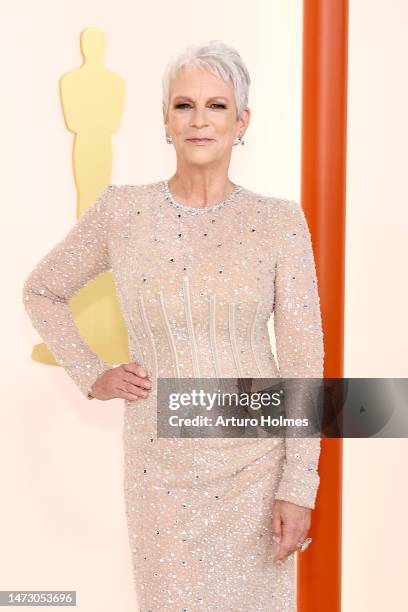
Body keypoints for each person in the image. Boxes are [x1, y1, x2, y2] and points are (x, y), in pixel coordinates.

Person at [23, 39, 324, 611]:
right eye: (184, 105)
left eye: (217, 105)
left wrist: (297, 484)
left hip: (257, 471)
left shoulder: (280, 222)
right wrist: (92, 373)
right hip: (160, 473)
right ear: (165, 119)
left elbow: (304, 363)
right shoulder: (123, 211)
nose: (199, 120)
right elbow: (42, 290)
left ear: (242, 120)